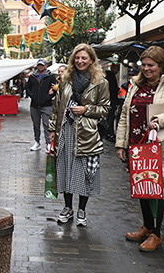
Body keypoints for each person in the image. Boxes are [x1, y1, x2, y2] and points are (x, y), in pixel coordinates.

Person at [116, 45, 164, 251]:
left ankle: (156, 234)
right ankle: (147, 226)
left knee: (157, 190)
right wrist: (121, 144)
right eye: (144, 65)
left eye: (151, 65)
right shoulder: (135, 85)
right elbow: (125, 115)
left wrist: (160, 119)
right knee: (142, 187)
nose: (146, 69)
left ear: (161, 66)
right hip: (137, 144)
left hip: (160, 145)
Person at [50, 44, 109, 228]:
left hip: (87, 134)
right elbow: (56, 106)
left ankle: (82, 210)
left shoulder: (100, 82)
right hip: (66, 132)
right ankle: (68, 208)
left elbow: (106, 109)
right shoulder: (65, 80)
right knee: (66, 171)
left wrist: (86, 109)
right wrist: (52, 129)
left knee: (85, 175)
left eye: (84, 58)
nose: (80, 61)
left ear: (91, 60)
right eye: (77, 58)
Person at [26, 58, 57, 150]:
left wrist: (48, 97)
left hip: (47, 105)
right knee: (36, 125)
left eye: (42, 65)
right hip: (34, 105)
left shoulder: (50, 76)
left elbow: (55, 88)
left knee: (47, 125)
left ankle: (48, 143)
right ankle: (37, 142)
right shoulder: (32, 77)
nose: (40, 67)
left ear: (45, 66)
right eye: (39, 65)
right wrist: (32, 96)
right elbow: (28, 88)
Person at [104, 62, 120, 141]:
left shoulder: (108, 75)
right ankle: (109, 132)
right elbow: (113, 88)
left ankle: (108, 132)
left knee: (110, 117)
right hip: (111, 99)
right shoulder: (110, 76)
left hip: (109, 99)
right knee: (110, 117)